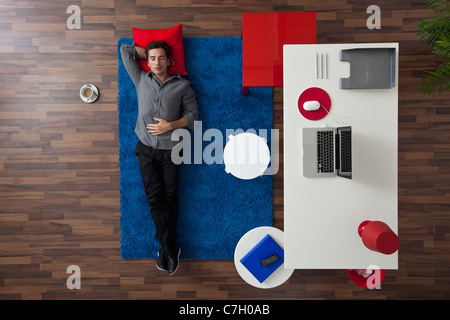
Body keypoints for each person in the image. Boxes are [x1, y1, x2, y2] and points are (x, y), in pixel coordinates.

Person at [120, 40, 198, 275]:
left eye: (161, 58)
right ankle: (169, 247)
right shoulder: (141, 79)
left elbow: (193, 117)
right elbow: (125, 50)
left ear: (169, 61)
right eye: (152, 58)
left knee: (171, 196)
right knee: (155, 197)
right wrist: (149, 52)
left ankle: (166, 248)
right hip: (145, 148)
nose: (156, 63)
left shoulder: (182, 86)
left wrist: (170, 126)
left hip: (171, 148)